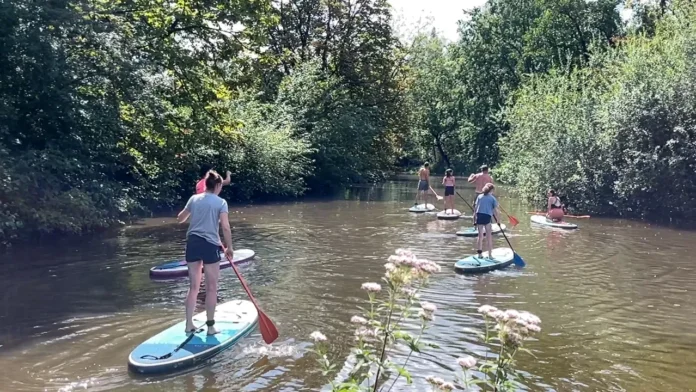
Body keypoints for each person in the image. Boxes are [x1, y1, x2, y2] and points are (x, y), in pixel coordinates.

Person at [178, 170, 234, 335]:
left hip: (192, 244)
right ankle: (210, 327)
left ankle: (189, 324)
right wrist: (229, 247)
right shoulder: (221, 202)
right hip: (210, 245)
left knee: (193, 287)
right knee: (211, 288)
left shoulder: (194, 199)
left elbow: (181, 218)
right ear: (217, 185)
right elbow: (225, 226)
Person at [475, 183, 500, 259]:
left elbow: (476, 208)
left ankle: (479, 254)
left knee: (480, 236)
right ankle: (490, 255)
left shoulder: (479, 196)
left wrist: (475, 219)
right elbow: (496, 211)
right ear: (491, 190)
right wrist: (498, 221)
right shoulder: (492, 198)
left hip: (479, 216)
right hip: (487, 217)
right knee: (489, 237)